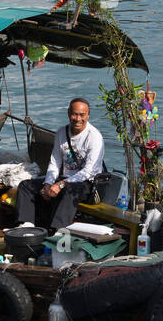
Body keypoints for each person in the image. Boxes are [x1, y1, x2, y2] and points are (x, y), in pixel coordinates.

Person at [15, 97, 105, 232]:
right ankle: (26, 225)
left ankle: (57, 230)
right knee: (26, 186)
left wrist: (61, 185)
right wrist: (47, 184)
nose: (78, 119)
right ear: (69, 113)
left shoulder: (94, 137)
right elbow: (55, 162)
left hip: (88, 184)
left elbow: (88, 172)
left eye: (82, 115)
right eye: (74, 114)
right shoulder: (61, 132)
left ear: (88, 115)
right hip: (65, 180)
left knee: (70, 190)